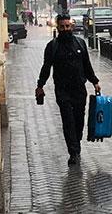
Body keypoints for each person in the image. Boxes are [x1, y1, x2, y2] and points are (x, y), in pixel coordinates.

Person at [36, 14, 101, 166]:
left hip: (79, 89)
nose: (65, 29)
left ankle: (76, 143)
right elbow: (46, 68)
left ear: (71, 26)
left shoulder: (80, 43)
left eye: (67, 26)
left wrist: (95, 81)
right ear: (57, 28)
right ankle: (73, 152)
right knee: (68, 121)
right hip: (62, 90)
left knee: (79, 121)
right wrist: (40, 85)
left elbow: (87, 65)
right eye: (62, 27)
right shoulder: (52, 47)